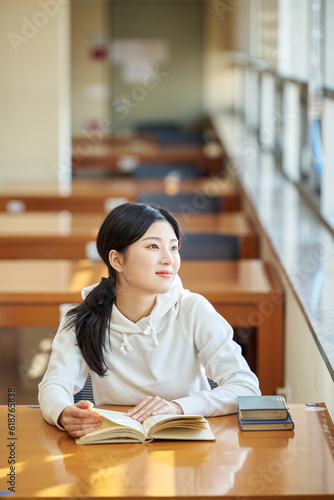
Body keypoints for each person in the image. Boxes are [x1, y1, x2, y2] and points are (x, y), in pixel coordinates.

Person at [38, 202, 260, 438]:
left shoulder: (193, 309)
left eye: (174, 248)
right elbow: (54, 385)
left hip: (187, 447)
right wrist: (63, 412)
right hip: (118, 446)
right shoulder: (83, 317)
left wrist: (179, 408)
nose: (169, 259)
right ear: (117, 260)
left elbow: (245, 388)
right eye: (154, 246)